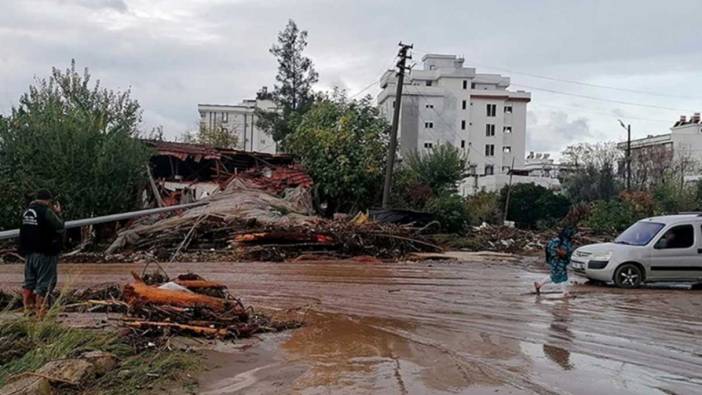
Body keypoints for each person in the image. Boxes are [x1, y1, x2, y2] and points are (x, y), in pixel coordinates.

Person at [18, 190, 64, 317]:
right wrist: (58, 213)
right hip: (45, 253)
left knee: (29, 282)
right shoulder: (46, 211)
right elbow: (59, 226)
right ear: (48, 200)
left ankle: (27, 312)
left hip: (29, 253)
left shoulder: (27, 211)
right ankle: (41, 316)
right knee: (45, 284)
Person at [534, 226, 576, 298]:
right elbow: (550, 248)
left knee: (554, 276)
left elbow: (567, 252)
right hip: (557, 261)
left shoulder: (567, 241)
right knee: (563, 276)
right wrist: (557, 253)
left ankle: (539, 284)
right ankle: (565, 293)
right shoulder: (557, 241)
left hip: (561, 261)